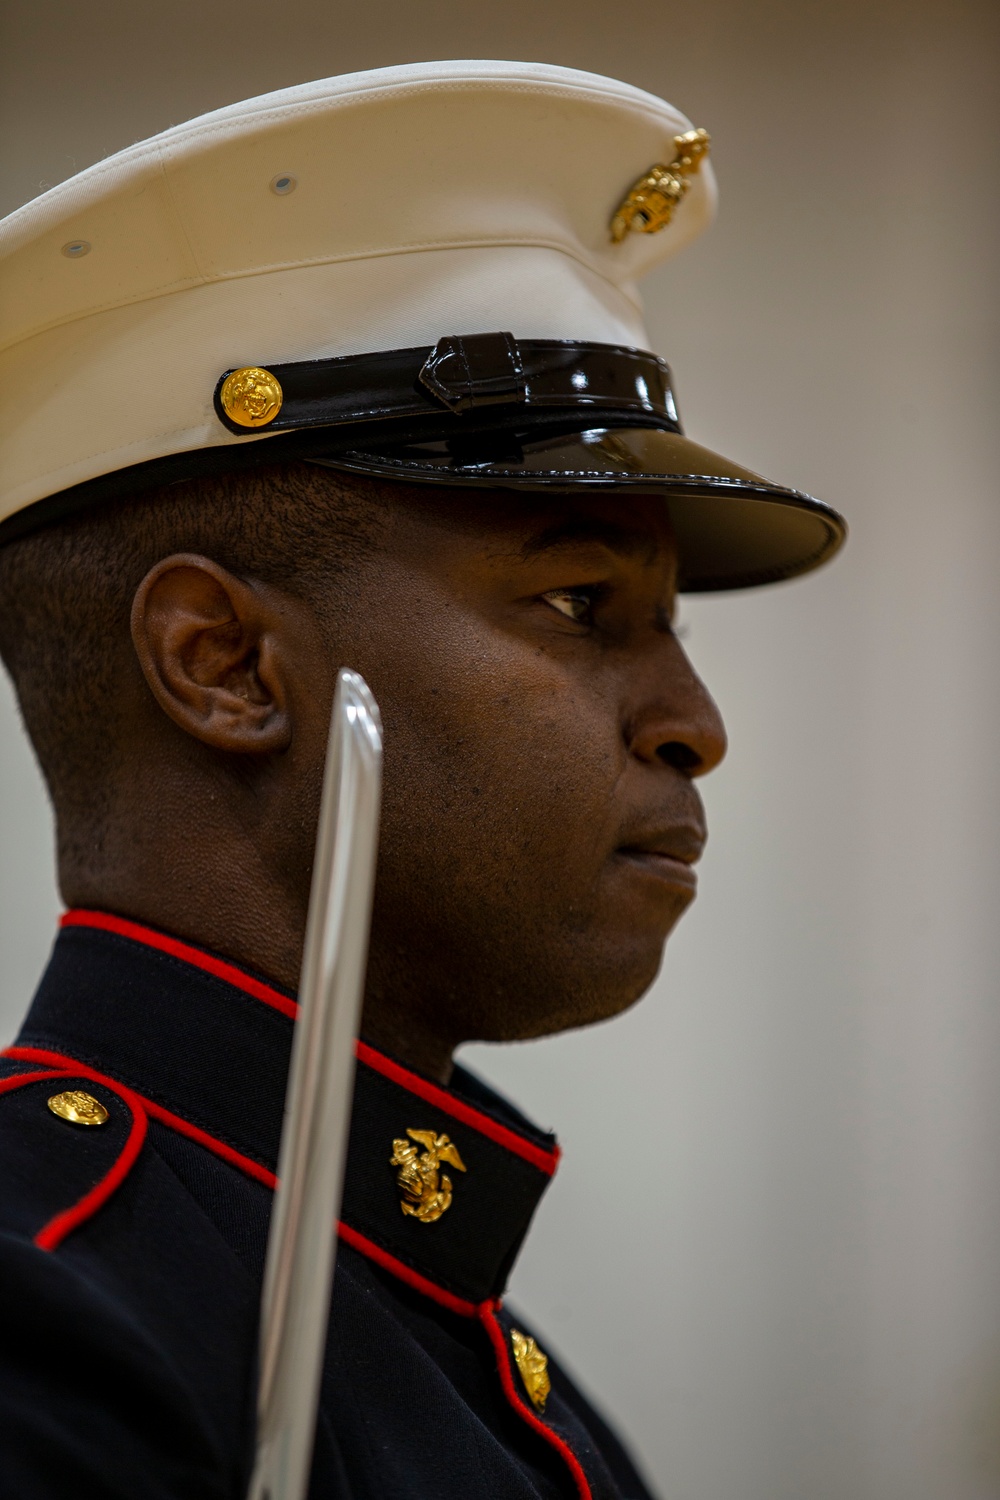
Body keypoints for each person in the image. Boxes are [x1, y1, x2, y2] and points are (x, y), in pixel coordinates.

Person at [0, 60, 845, 1499]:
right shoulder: (47, 1317)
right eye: (583, 606)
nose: (695, 723)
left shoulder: (478, 1362)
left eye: (672, 628)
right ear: (225, 665)